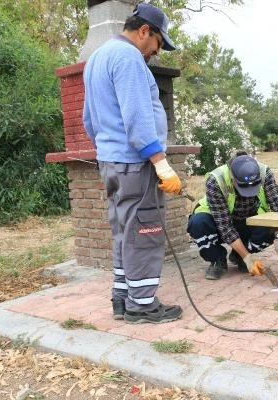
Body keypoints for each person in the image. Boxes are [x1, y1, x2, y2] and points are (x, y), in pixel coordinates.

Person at [82, 3, 183, 324]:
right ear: (144, 31)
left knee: (125, 229)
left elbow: (88, 120)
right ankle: (143, 304)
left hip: (111, 162)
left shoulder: (97, 57)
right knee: (145, 229)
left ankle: (123, 298)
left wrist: (107, 148)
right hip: (134, 163)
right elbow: (138, 116)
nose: (156, 51)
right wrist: (160, 162)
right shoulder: (128, 58)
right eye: (158, 43)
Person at [187, 152, 278, 280]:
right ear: (232, 177)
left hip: (246, 221)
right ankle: (217, 259)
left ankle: (238, 256)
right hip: (218, 223)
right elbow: (225, 228)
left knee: (271, 226)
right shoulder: (216, 180)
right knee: (198, 223)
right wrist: (248, 258)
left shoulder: (264, 172)